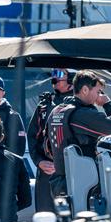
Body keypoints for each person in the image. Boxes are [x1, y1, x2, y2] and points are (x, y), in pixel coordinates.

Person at [46, 69, 111, 197]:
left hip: (59, 182)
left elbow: (46, 145)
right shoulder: (82, 114)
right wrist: (107, 104)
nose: (99, 96)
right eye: (98, 91)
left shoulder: (57, 110)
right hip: (83, 184)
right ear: (85, 90)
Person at [27, 68, 73, 212]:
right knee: (46, 217)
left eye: (59, 74)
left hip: (72, 171)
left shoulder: (82, 105)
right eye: (53, 74)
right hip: (47, 171)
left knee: (74, 221)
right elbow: (33, 136)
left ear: (71, 79)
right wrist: (39, 161)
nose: (54, 77)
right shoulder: (44, 105)